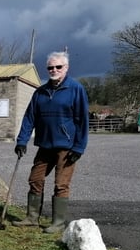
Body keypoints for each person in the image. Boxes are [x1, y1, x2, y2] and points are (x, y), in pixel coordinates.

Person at [13, 51, 89, 233]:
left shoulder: (76, 89)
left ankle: (58, 222)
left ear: (66, 68)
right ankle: (32, 218)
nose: (54, 70)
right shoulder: (41, 92)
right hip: (45, 145)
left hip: (67, 147)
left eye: (58, 67)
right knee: (35, 179)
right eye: (50, 67)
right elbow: (29, 117)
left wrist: (79, 147)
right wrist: (22, 140)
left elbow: (82, 121)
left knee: (61, 184)